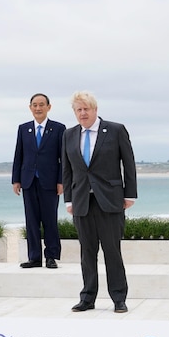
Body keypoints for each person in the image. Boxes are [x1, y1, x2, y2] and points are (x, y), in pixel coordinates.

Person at [62, 91, 137, 313]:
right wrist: (68, 199)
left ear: (95, 109)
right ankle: (87, 297)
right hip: (82, 201)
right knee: (87, 252)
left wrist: (129, 194)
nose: (83, 113)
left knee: (112, 251)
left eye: (86, 108)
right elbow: (66, 170)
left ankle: (118, 298)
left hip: (110, 200)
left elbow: (129, 163)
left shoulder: (115, 130)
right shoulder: (68, 135)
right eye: (79, 109)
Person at [12, 93, 66, 269]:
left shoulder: (58, 129)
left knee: (50, 220)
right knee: (31, 220)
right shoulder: (23, 128)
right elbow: (18, 155)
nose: (38, 108)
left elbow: (63, 158)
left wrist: (61, 181)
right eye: (34, 105)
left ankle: (51, 256)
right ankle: (34, 257)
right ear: (30, 107)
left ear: (48, 107)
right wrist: (16, 180)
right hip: (28, 181)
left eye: (41, 104)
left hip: (49, 182)